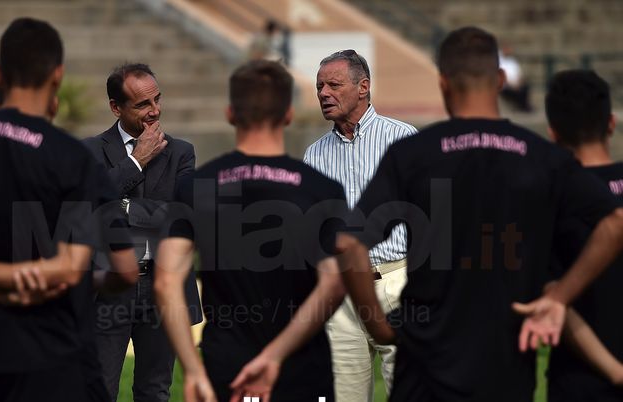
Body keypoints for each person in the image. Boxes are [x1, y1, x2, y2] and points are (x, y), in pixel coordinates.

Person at [336, 26, 623, 402]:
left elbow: (349, 244)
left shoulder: (413, 154)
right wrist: (559, 297)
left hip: (424, 373)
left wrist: (380, 328)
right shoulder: (541, 157)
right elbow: (615, 221)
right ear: (501, 79)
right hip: (505, 371)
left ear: (442, 82)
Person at [0, 17, 139, 402]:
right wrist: (67, 281)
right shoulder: (71, 158)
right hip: (54, 360)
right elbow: (111, 269)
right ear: (57, 77)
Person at [155, 60, 347, 402]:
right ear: (288, 114)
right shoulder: (321, 188)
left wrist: (193, 371)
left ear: (231, 113)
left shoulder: (196, 187)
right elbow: (334, 281)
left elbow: (165, 280)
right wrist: (275, 355)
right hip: (302, 368)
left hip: (226, 367)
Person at [84, 62, 202, 402]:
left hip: (163, 286)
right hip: (108, 288)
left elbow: (179, 217)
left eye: (156, 100)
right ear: (115, 107)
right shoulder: (91, 151)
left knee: (155, 391)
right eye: (142, 104)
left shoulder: (181, 152)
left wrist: (118, 208)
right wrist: (136, 162)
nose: (155, 111)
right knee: (98, 389)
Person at [303, 49, 417, 401]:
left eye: (333, 85)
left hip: (398, 283)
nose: (323, 93)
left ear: (363, 87)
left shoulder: (404, 139)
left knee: (411, 391)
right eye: (320, 86)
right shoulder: (313, 154)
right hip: (340, 296)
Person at [544, 69, 623, 401]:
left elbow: (551, 296)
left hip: (579, 381)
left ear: (553, 133)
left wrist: (615, 372)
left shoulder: (547, 198)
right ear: (611, 123)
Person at [499, 44, 532, 112]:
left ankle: (523, 106)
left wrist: (519, 82)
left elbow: (519, 74)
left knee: (525, 87)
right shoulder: (499, 60)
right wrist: (511, 84)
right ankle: (521, 106)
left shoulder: (512, 61)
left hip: (516, 84)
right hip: (506, 85)